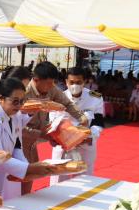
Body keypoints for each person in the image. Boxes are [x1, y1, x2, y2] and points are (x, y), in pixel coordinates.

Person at [22, 61, 89, 194]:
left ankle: (25, 198)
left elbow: (67, 103)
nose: (52, 86)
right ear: (36, 80)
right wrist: (44, 135)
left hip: (33, 140)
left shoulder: (51, 88)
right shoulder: (24, 93)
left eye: (53, 83)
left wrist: (81, 117)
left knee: (31, 174)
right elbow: (19, 128)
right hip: (20, 140)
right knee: (20, 174)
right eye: (48, 83)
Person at [50, 67, 105, 185]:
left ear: (84, 81)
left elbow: (98, 123)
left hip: (85, 145)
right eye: (72, 82)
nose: (75, 85)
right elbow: (52, 121)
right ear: (66, 82)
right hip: (63, 146)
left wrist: (91, 136)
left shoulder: (95, 98)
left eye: (79, 82)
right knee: (58, 182)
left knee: (84, 181)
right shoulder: (58, 98)